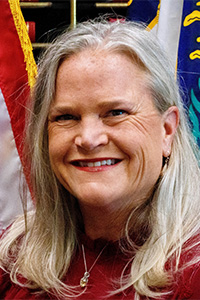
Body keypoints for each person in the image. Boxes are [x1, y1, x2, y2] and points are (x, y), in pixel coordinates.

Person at [1, 19, 200, 300]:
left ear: (167, 130)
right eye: (66, 117)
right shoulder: (12, 258)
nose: (89, 138)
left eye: (116, 112)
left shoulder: (193, 273)